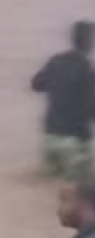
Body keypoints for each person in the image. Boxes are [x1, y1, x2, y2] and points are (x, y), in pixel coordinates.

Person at [32, 22, 95, 181]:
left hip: (50, 136)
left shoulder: (55, 61)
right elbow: (91, 108)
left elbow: (36, 84)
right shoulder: (87, 69)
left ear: (73, 39)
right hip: (74, 142)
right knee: (81, 193)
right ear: (89, 42)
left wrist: (58, 85)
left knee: (50, 185)